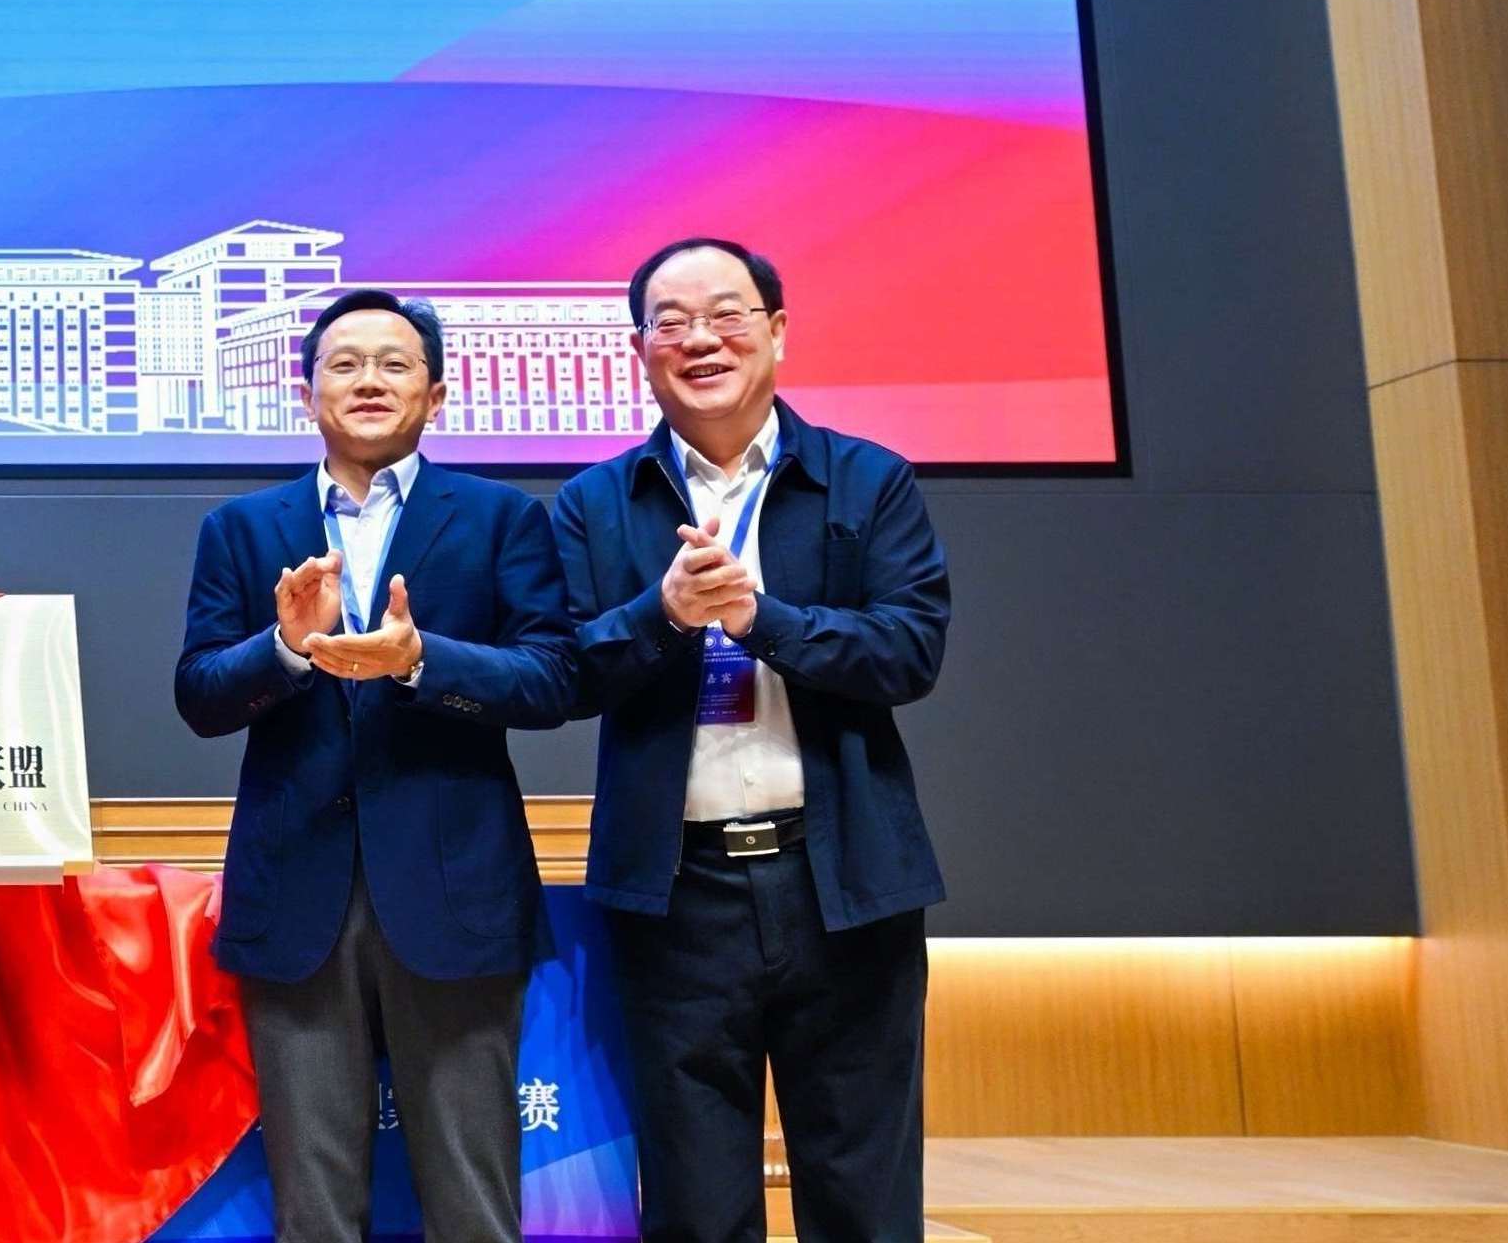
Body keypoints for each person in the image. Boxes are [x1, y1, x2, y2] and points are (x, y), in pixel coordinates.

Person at [551, 239, 948, 1243]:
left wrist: (760, 618)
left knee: (863, 1193)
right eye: (671, 320)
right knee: (693, 1203)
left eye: (726, 313)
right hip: (676, 892)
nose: (700, 338)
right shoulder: (593, 502)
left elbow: (909, 651)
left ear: (775, 329)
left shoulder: (866, 480)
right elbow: (566, 671)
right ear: (639, 348)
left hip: (844, 878)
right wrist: (665, 613)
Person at [175, 288, 578, 1243]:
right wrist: (283, 646)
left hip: (457, 892)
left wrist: (421, 659)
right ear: (305, 392)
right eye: (345, 363)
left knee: (473, 1201)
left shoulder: (498, 518)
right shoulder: (242, 528)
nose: (368, 380)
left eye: (395, 364)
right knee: (314, 1208)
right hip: (296, 896)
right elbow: (200, 694)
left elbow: (552, 677)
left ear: (435, 395)